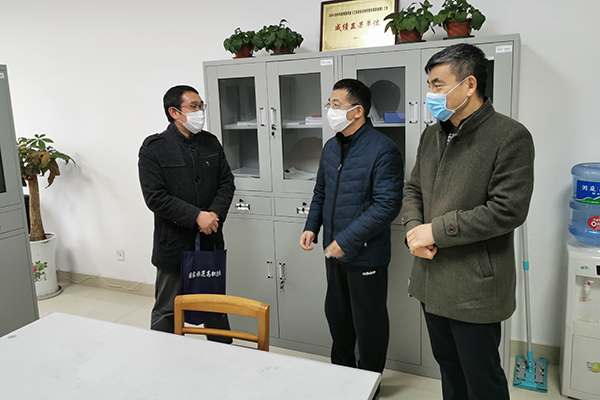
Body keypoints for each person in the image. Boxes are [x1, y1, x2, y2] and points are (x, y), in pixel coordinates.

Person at [401, 43, 535, 400]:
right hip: (430, 280)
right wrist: (414, 230)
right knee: (449, 368)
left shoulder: (509, 136)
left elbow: (507, 210)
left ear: (469, 84)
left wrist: (436, 230)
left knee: (482, 379)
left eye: (438, 84)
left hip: (475, 287)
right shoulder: (432, 134)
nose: (430, 94)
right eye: (429, 85)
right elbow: (413, 188)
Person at [299, 79, 404, 381]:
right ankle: (342, 377)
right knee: (338, 317)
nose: (330, 110)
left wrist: (346, 240)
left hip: (365, 254)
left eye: (336, 105)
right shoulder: (331, 147)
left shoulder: (383, 149)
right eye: (329, 104)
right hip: (334, 251)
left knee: (369, 324)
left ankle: (369, 383)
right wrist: (312, 226)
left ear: (358, 111)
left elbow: (387, 206)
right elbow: (321, 191)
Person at [138, 85, 235, 341]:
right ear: (174, 112)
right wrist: (196, 216)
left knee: (214, 307)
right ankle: (165, 355)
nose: (199, 111)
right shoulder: (154, 148)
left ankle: (222, 354)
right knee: (168, 311)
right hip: (174, 245)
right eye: (193, 106)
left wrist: (213, 214)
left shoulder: (210, 142)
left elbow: (226, 182)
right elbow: (155, 197)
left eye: (201, 106)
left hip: (210, 239)